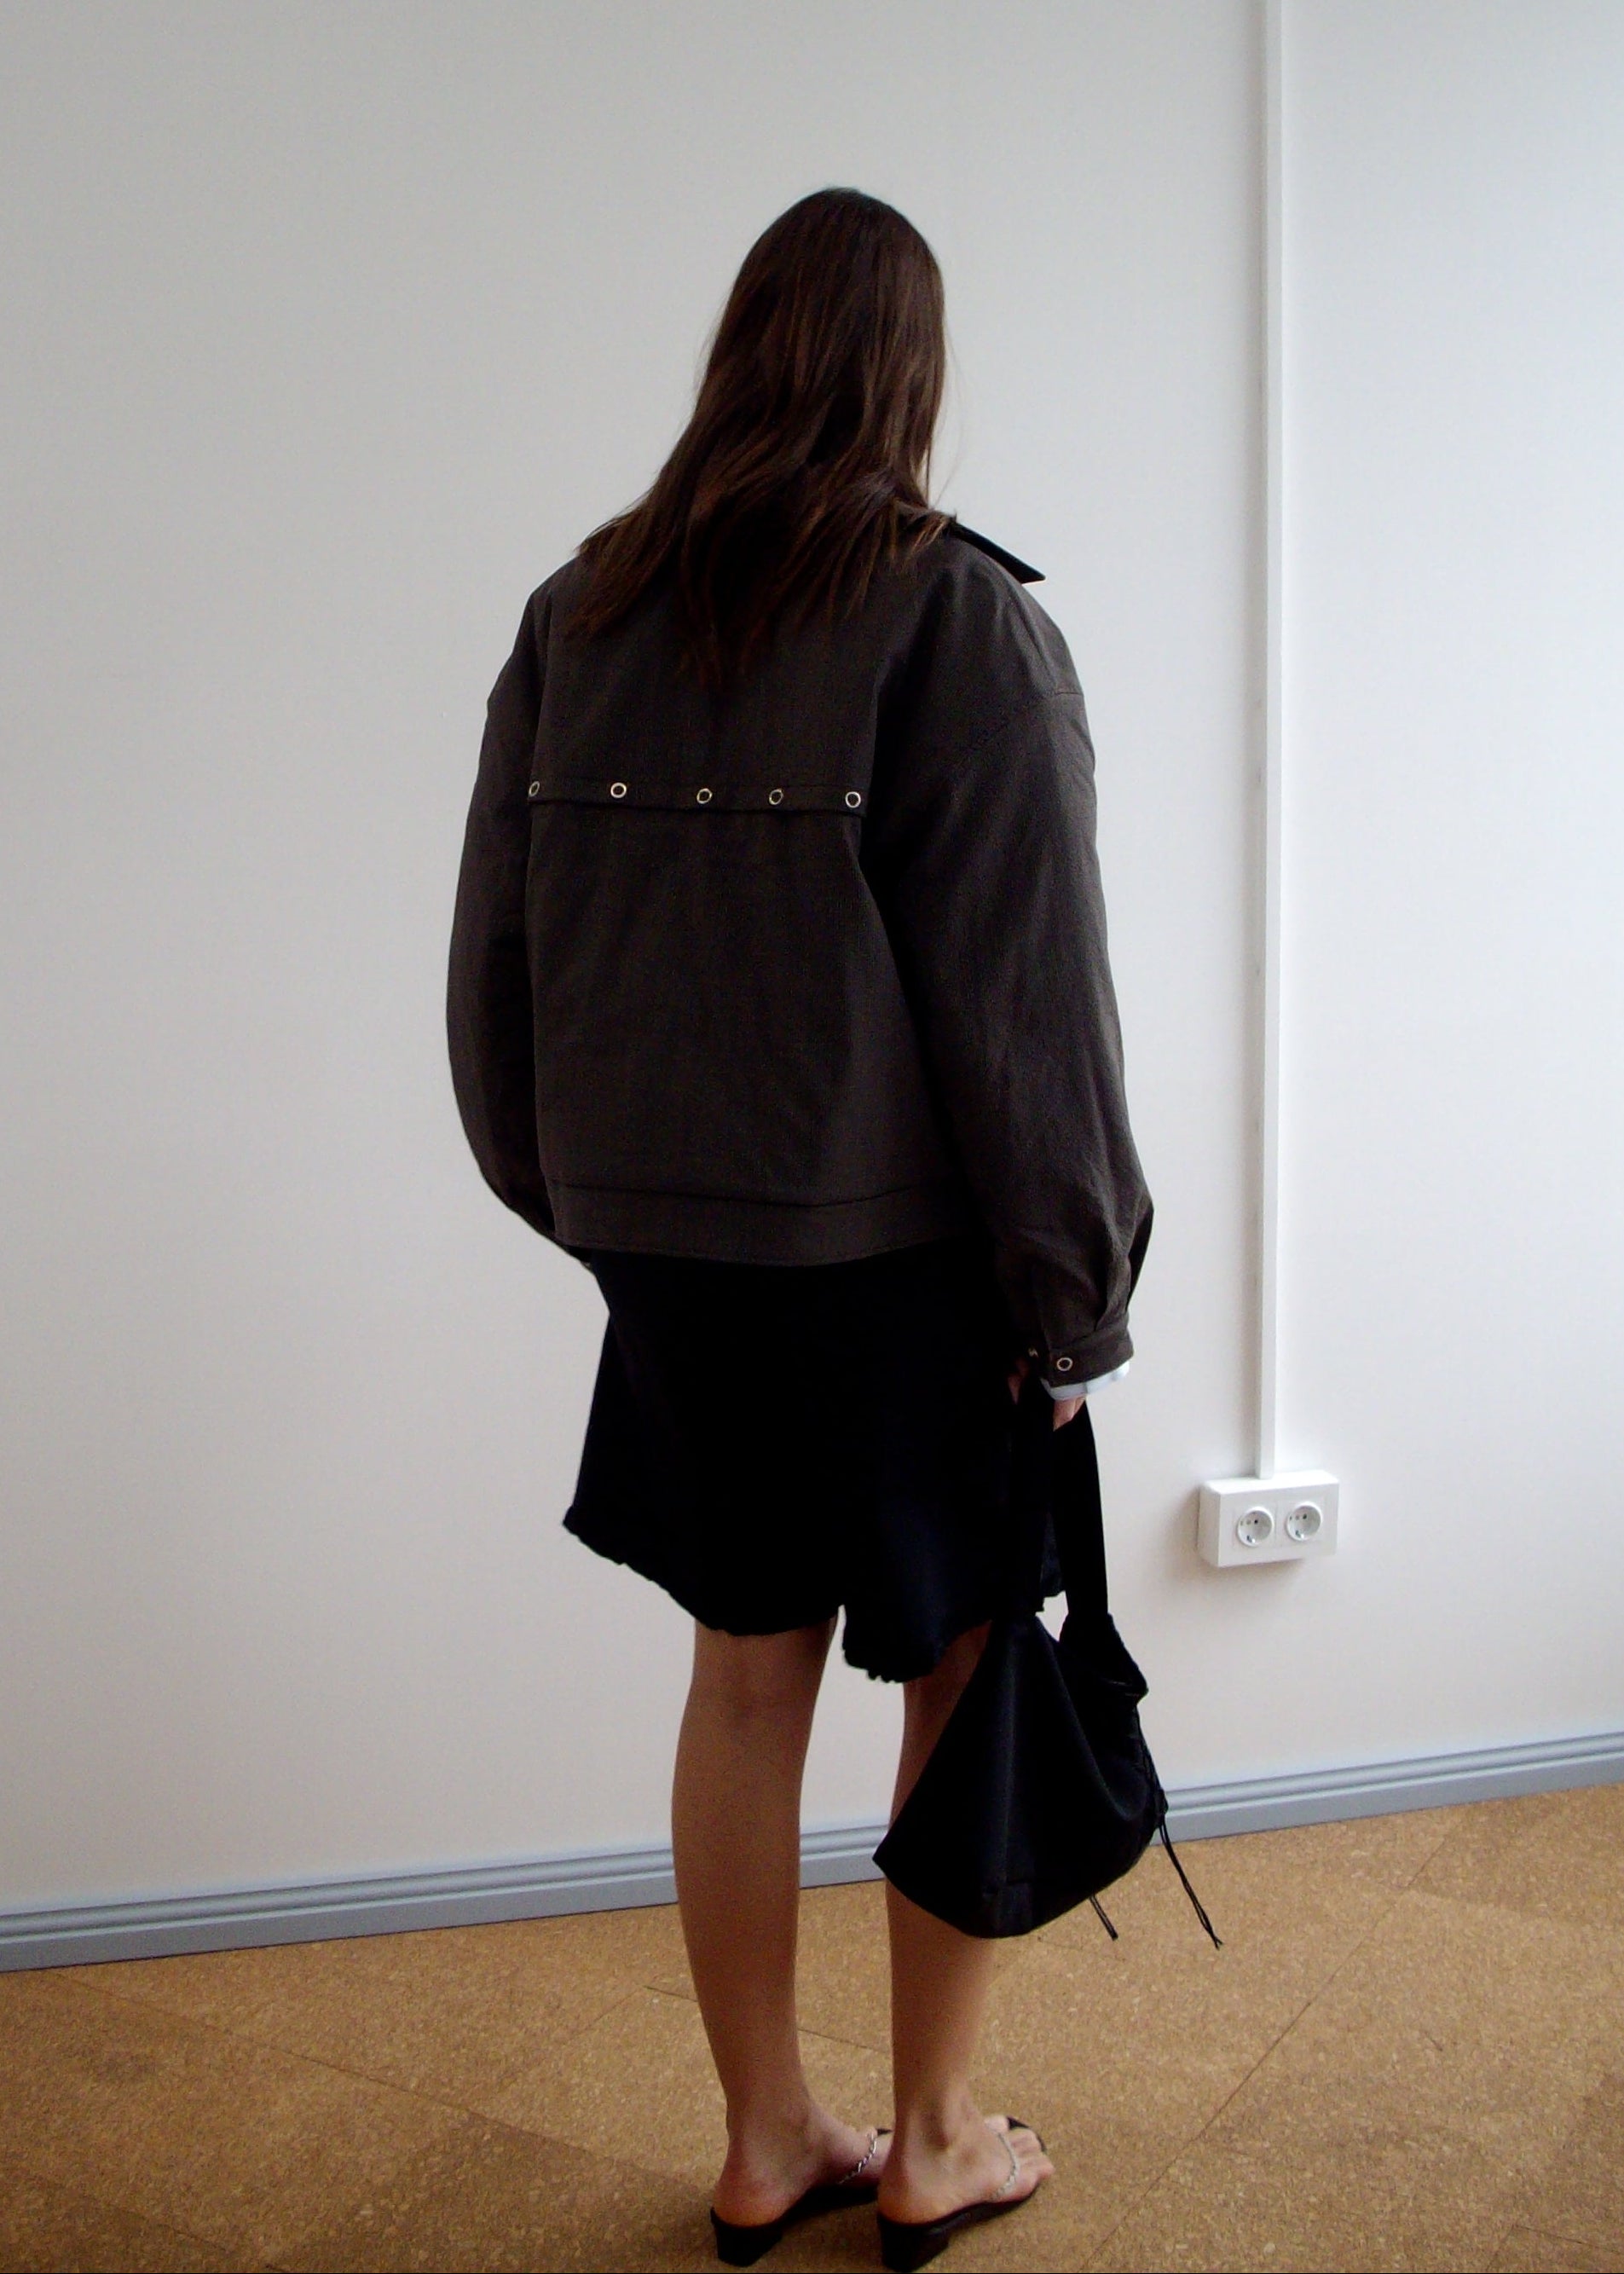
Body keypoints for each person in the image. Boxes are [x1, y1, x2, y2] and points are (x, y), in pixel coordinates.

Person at [448, 186, 1152, 2272]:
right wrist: (1072, 1297)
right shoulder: (957, 619)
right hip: (909, 1268)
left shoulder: (579, 608)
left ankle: (765, 2138)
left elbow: (492, 971)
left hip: (673, 1251)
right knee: (951, 1661)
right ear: (907, 373)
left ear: (739, 351)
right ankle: (929, 2137)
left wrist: (586, 1211)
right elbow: (1032, 1009)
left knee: (740, 1672)